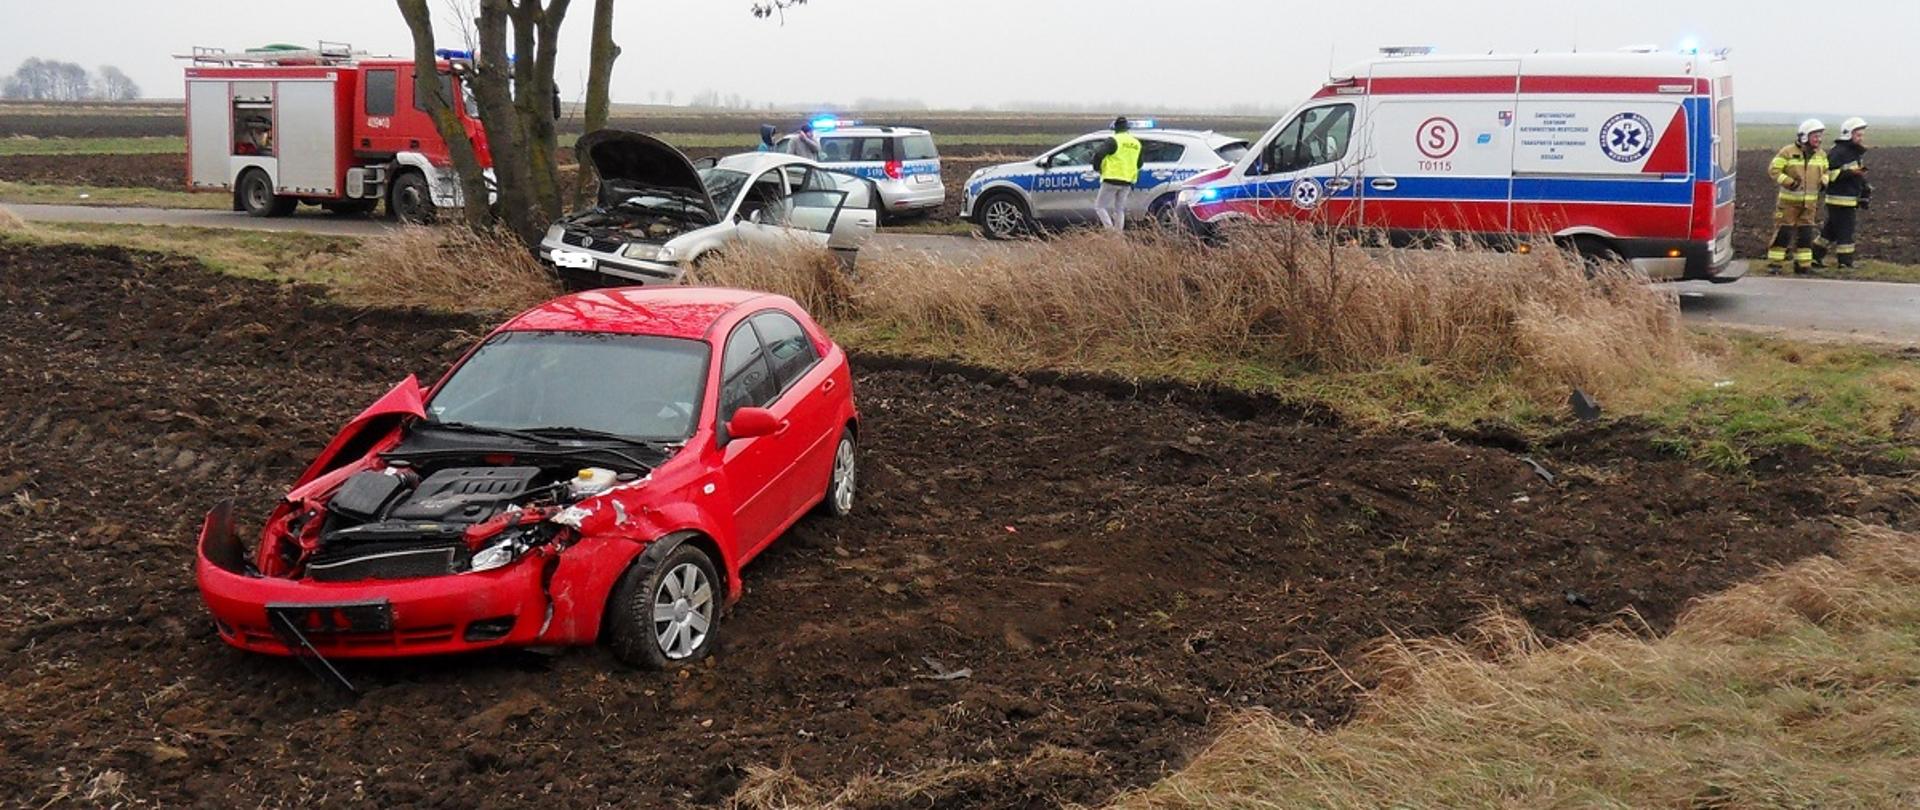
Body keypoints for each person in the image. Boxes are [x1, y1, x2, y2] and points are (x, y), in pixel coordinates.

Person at [1765, 119, 1829, 275]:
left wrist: (1824, 180)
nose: (1819, 139)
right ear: (1805, 136)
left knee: (1806, 236)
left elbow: (1827, 171)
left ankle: (1803, 266)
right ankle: (1775, 264)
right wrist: (1789, 182)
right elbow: (1774, 170)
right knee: (1783, 233)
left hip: (1809, 205)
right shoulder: (1787, 152)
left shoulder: (1821, 154)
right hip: (1788, 203)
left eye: (1820, 136)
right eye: (1815, 136)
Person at [1814, 117, 1871, 269]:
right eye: (1858, 135)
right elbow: (1829, 175)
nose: (1861, 138)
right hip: (1838, 200)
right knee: (1846, 232)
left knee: (1830, 232)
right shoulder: (1838, 152)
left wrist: (1865, 190)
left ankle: (1815, 256)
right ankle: (1845, 262)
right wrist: (1851, 173)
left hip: (1848, 199)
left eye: (1862, 135)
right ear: (1848, 134)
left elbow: (1857, 175)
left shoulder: (1853, 153)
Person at [1087, 116, 1143, 232]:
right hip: (1127, 181)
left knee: (1100, 206)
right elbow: (1139, 163)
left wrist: (1097, 168)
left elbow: (1099, 154)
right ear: (1127, 128)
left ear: (1115, 128)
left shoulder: (1113, 140)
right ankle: (1118, 234)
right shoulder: (1136, 143)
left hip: (1111, 178)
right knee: (1119, 209)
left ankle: (1110, 231)